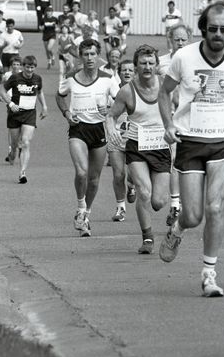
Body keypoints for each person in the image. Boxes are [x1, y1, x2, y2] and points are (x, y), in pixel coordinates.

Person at [158, 0, 224, 297]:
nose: (218, 35)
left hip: (223, 141)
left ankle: (209, 274)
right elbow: (165, 93)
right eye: (213, 29)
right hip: (189, 141)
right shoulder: (184, 58)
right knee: (193, 216)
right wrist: (169, 125)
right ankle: (177, 229)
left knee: (215, 208)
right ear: (203, 29)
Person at [106, 45, 171, 254]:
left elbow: (182, 107)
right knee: (144, 192)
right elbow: (110, 115)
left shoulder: (166, 86)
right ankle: (148, 238)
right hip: (137, 147)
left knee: (159, 201)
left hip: (161, 147)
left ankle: (134, 182)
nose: (147, 67)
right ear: (136, 67)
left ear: (157, 65)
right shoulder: (127, 91)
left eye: (151, 63)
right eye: (143, 63)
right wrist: (112, 131)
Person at [55, 38, 120, 237]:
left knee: (93, 179)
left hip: (99, 130)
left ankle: (86, 214)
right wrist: (66, 113)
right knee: (81, 172)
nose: (90, 58)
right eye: (86, 54)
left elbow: (121, 102)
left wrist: (109, 108)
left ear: (98, 55)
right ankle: (80, 207)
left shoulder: (108, 79)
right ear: (80, 56)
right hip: (78, 129)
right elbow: (59, 95)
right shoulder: (72, 77)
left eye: (93, 54)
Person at [158, 23, 192, 226]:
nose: (179, 43)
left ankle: (177, 204)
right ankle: (175, 204)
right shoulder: (161, 63)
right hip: (166, 119)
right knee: (170, 160)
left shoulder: (195, 63)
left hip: (189, 120)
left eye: (183, 39)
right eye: (176, 39)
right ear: (170, 40)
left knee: (180, 163)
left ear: (189, 40)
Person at [0, 55, 48, 184]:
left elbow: (40, 92)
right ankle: (12, 152)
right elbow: (3, 91)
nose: (29, 70)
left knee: (26, 142)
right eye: (27, 67)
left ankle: (22, 173)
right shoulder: (15, 78)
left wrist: (44, 106)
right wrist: (10, 104)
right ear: (23, 67)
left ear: (34, 67)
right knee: (15, 144)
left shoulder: (38, 79)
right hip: (15, 114)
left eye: (32, 67)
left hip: (29, 114)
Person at [105, 59, 136, 222]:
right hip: (116, 137)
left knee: (133, 174)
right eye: (124, 70)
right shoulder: (112, 90)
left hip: (135, 138)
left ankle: (131, 185)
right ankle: (120, 208)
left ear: (135, 72)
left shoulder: (139, 91)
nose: (127, 73)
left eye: (130, 70)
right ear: (119, 72)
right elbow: (106, 112)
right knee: (118, 174)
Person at [1, 55, 23, 162]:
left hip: (22, 104)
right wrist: (3, 98)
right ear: (11, 65)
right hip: (10, 103)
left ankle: (19, 145)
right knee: (11, 127)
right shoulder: (7, 75)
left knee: (21, 127)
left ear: (21, 66)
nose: (15, 66)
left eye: (18, 64)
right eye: (14, 64)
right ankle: (11, 149)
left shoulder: (24, 76)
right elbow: (4, 89)